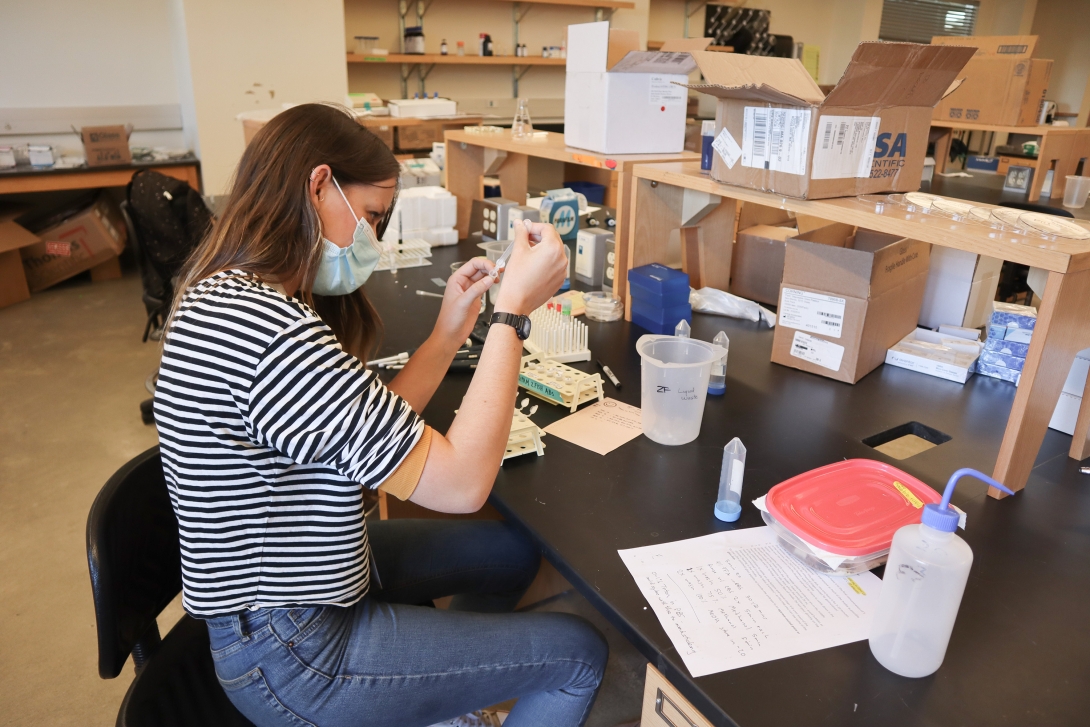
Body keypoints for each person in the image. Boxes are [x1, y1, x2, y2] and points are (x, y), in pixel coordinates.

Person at [154, 103, 607, 727]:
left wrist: (451, 329)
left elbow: (366, 421)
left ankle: (431, 694)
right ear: (318, 184)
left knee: (510, 551)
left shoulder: (232, 291)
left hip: (298, 585)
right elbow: (462, 484)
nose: (371, 238)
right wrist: (512, 317)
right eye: (369, 216)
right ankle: (418, 693)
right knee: (579, 654)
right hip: (291, 650)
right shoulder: (265, 332)